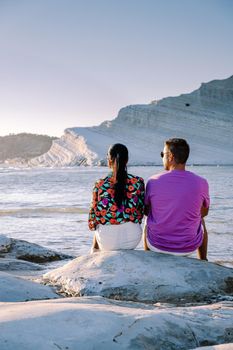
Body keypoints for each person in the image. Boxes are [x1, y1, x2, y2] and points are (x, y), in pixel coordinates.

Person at [144, 138, 210, 260]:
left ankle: (148, 258)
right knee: (200, 220)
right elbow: (204, 212)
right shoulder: (202, 182)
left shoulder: (153, 181)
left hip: (156, 246)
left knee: (147, 222)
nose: (162, 158)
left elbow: (146, 211)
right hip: (189, 247)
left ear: (170, 157)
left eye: (162, 154)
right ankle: (203, 260)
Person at [88, 143, 145, 251]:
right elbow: (141, 211)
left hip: (107, 241)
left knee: (99, 221)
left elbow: (92, 218)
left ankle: (94, 251)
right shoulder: (138, 182)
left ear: (109, 161)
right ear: (127, 160)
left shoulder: (100, 184)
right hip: (132, 239)